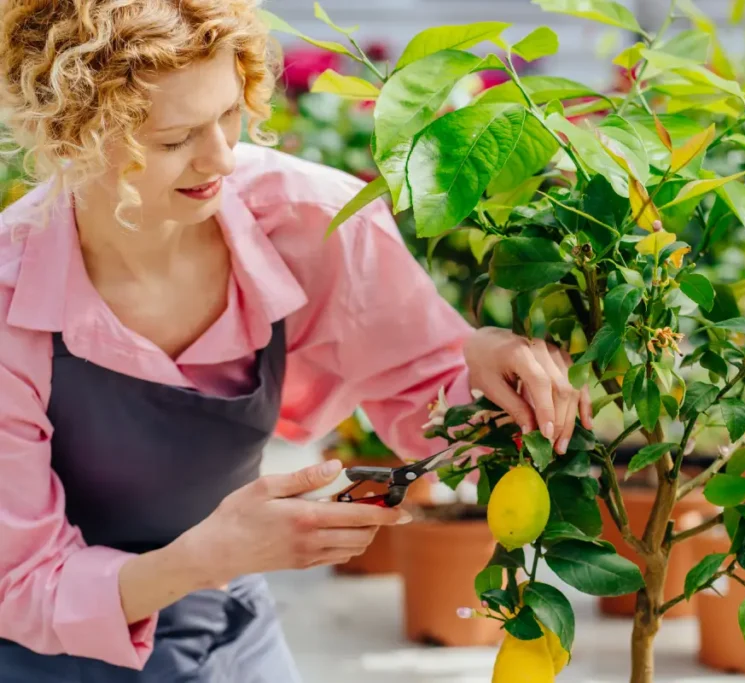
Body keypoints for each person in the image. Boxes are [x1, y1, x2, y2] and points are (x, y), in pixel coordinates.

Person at [0, 1, 593, 680]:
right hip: (43, 655)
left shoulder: (307, 219)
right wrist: (209, 555)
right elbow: (19, 583)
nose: (222, 157)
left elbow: (434, 400)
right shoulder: (11, 300)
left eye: (229, 114)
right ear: (70, 133)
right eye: (174, 139)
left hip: (230, 633)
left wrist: (486, 366)